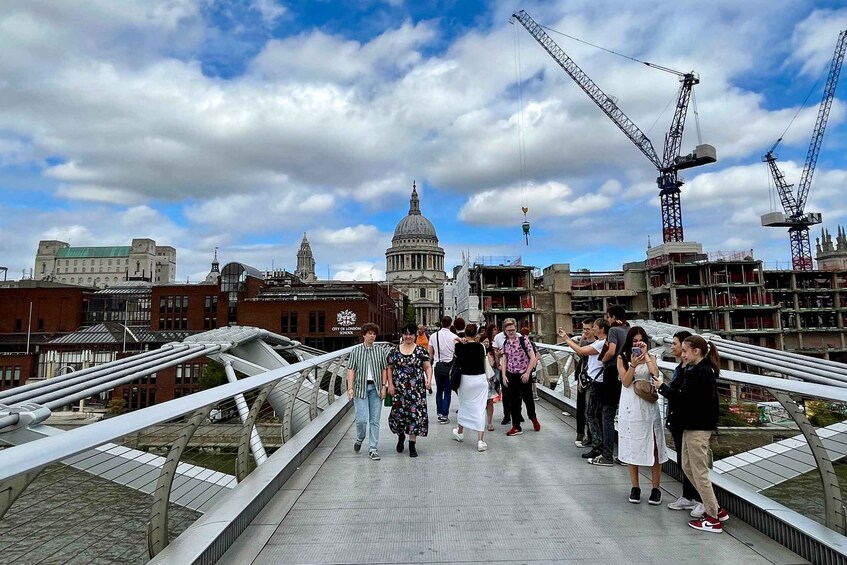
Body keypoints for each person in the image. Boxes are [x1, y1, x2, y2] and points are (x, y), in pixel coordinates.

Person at [653, 335, 729, 533]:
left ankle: (713, 517)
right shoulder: (694, 369)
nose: (682, 355)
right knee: (687, 466)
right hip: (690, 425)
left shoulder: (703, 372)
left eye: (685, 351)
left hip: (698, 427)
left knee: (699, 471)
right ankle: (715, 508)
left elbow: (683, 397)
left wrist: (662, 387)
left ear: (696, 351)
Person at [616, 326, 668, 504]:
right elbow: (625, 381)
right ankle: (635, 487)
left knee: (653, 446)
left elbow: (655, 374)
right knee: (632, 445)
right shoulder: (622, 358)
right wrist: (633, 365)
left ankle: (656, 488)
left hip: (648, 406)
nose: (638, 343)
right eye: (635, 340)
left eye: (641, 340)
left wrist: (646, 356)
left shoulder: (651, 357)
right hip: (631, 405)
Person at [558, 319, 608, 464]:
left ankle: (597, 446)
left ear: (599, 329)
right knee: (592, 414)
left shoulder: (600, 343)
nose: (591, 330)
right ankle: (596, 443)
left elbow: (580, 351)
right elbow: (582, 354)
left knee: (591, 414)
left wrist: (566, 338)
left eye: (594, 328)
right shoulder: (600, 342)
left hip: (596, 384)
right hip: (593, 381)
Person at [664, 330, 702, 512]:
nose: (672, 347)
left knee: (691, 463)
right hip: (678, 420)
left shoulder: (694, 371)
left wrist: (662, 388)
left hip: (688, 422)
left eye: (675, 344)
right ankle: (688, 496)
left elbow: (681, 396)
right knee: (683, 461)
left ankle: (700, 501)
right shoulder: (681, 368)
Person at [388, 323, 433, 458]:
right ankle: (400, 435)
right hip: (399, 389)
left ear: (415, 336)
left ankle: (412, 443)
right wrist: (390, 385)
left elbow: (427, 367)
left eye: (411, 334)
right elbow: (389, 368)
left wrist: (429, 380)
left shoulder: (420, 351)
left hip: (416, 390)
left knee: (415, 416)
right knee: (398, 415)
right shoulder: (394, 351)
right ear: (403, 335)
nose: (408, 337)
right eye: (405, 334)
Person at [346, 322, 389, 461]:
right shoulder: (356, 351)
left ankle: (373, 448)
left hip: (375, 388)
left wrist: (384, 386)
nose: (372, 336)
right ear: (364, 335)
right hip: (360, 388)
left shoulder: (380, 351)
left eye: (374, 334)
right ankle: (360, 438)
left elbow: (384, 368)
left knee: (375, 420)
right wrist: (350, 388)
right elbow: (351, 370)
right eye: (370, 333)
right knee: (361, 420)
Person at [451, 323, 489, 452]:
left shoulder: (459, 347)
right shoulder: (481, 347)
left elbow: (455, 341)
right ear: (476, 334)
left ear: (465, 334)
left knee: (464, 404)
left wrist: (460, 340)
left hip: (465, 379)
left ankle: (460, 431)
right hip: (480, 379)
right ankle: (480, 440)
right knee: (479, 408)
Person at [500, 318, 539, 436]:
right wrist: (503, 375)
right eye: (508, 330)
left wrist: (527, 373)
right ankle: (516, 426)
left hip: (523, 374)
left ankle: (533, 418)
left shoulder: (523, 340)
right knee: (513, 401)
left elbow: (533, 357)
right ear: (505, 331)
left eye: (512, 329)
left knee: (528, 399)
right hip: (511, 374)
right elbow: (505, 359)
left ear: (516, 328)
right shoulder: (506, 343)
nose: (511, 332)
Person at [600, 305, 629, 466]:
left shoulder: (613, 330)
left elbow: (611, 351)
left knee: (608, 414)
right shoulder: (630, 329)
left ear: (612, 317)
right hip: (627, 373)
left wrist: (602, 360)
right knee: (624, 415)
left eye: (608, 317)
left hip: (612, 372)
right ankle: (625, 456)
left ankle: (607, 455)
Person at [567, 318, 595, 448]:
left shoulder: (597, 344)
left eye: (587, 329)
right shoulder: (584, 341)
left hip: (591, 379)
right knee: (582, 406)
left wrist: (566, 338)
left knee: (589, 409)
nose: (585, 332)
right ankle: (580, 433)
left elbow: (581, 352)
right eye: (583, 329)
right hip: (583, 378)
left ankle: (590, 436)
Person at [429, 316, 457, 423]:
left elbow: (430, 354)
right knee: (447, 392)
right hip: (449, 367)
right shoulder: (454, 337)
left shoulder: (433, 336)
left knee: (439, 391)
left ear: (441, 323)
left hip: (438, 366)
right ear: (451, 324)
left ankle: (439, 412)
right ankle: (445, 415)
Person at [520, 326, 541, 401]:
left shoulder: (520, 342)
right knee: (532, 379)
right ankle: (534, 394)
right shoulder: (531, 343)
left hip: (525, 364)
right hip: (531, 363)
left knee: (529, 379)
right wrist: (535, 362)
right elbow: (537, 353)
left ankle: (530, 394)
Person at [480, 334, 497, 431]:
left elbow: (492, 364)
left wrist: (489, 355)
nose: (486, 343)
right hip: (480, 379)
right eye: (484, 341)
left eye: (487, 341)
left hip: (490, 380)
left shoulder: (491, 352)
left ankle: (490, 422)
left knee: (490, 402)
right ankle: (479, 421)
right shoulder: (477, 352)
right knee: (480, 402)